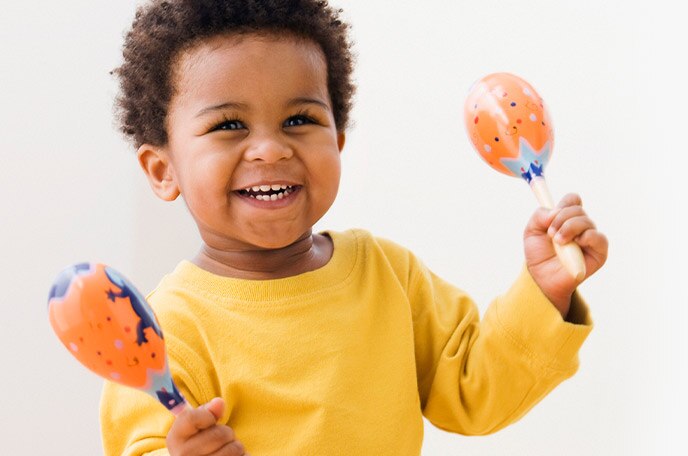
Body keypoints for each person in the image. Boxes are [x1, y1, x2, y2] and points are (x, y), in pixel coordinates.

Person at [99, 0, 609, 455]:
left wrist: (546, 292)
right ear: (163, 171)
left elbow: (475, 392)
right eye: (228, 125)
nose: (271, 149)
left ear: (338, 140)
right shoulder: (160, 333)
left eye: (300, 119)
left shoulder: (389, 274)